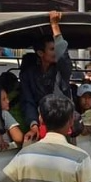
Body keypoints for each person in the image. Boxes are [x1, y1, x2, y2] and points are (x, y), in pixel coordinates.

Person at [20, 11, 73, 142]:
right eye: (51, 49)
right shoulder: (29, 75)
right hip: (41, 124)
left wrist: (54, 26)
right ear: (40, 53)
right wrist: (33, 124)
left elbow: (63, 57)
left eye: (56, 48)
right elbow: (28, 101)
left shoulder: (61, 71)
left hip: (62, 124)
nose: (55, 52)